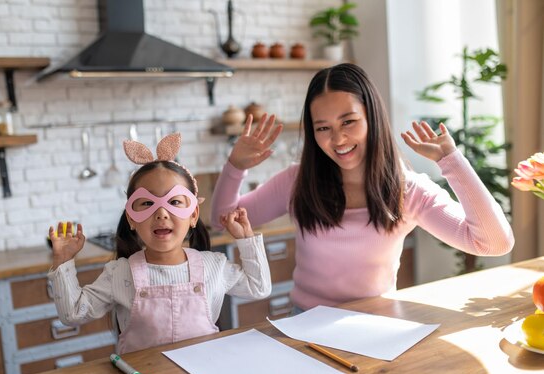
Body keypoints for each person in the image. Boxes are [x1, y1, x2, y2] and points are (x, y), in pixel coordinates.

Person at [210, 63, 514, 313]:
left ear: (371, 117)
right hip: (305, 325)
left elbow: (493, 243)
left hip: (379, 327)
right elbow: (222, 219)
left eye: (349, 121)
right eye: (323, 128)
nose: (338, 139)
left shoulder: (408, 190)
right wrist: (236, 166)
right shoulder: (297, 181)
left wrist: (452, 162)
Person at [48, 133, 271, 353]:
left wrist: (246, 238)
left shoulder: (214, 266)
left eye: (174, 201)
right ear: (132, 219)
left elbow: (259, 288)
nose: (161, 213)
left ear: (193, 215)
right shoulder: (120, 273)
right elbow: (72, 314)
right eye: (147, 203)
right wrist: (63, 261)